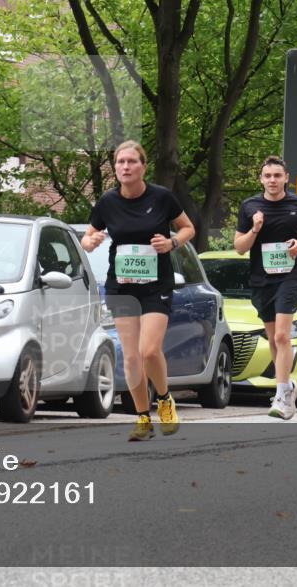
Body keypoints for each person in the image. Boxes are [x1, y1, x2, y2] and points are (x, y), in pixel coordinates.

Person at [81, 141, 195, 441]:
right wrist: (91, 242)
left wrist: (171, 243)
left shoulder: (161, 197)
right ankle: (143, 418)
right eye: (120, 162)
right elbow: (87, 238)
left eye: (132, 161)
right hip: (122, 286)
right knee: (131, 357)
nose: (125, 167)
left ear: (143, 166)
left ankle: (165, 399)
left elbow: (188, 228)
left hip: (156, 285)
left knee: (149, 350)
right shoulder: (107, 202)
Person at [234, 156, 297, 420]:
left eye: (277, 176)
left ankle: (282, 394)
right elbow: (239, 247)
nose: (272, 180)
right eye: (267, 176)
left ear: (286, 178)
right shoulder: (250, 206)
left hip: (289, 277)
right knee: (273, 339)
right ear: (261, 179)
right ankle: (288, 385)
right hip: (262, 279)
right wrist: (255, 229)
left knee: (283, 336)